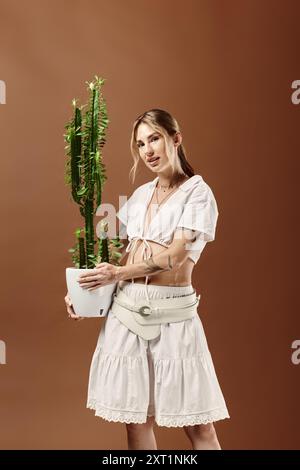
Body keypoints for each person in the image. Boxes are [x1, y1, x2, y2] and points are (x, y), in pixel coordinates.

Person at [65, 108, 230, 450]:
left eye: (154, 138)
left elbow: (175, 256)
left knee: (200, 427)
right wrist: (84, 295)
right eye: (141, 144)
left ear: (176, 138)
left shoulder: (198, 193)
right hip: (125, 312)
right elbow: (118, 256)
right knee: (136, 422)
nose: (148, 150)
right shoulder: (140, 195)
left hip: (173, 315)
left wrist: (118, 272)